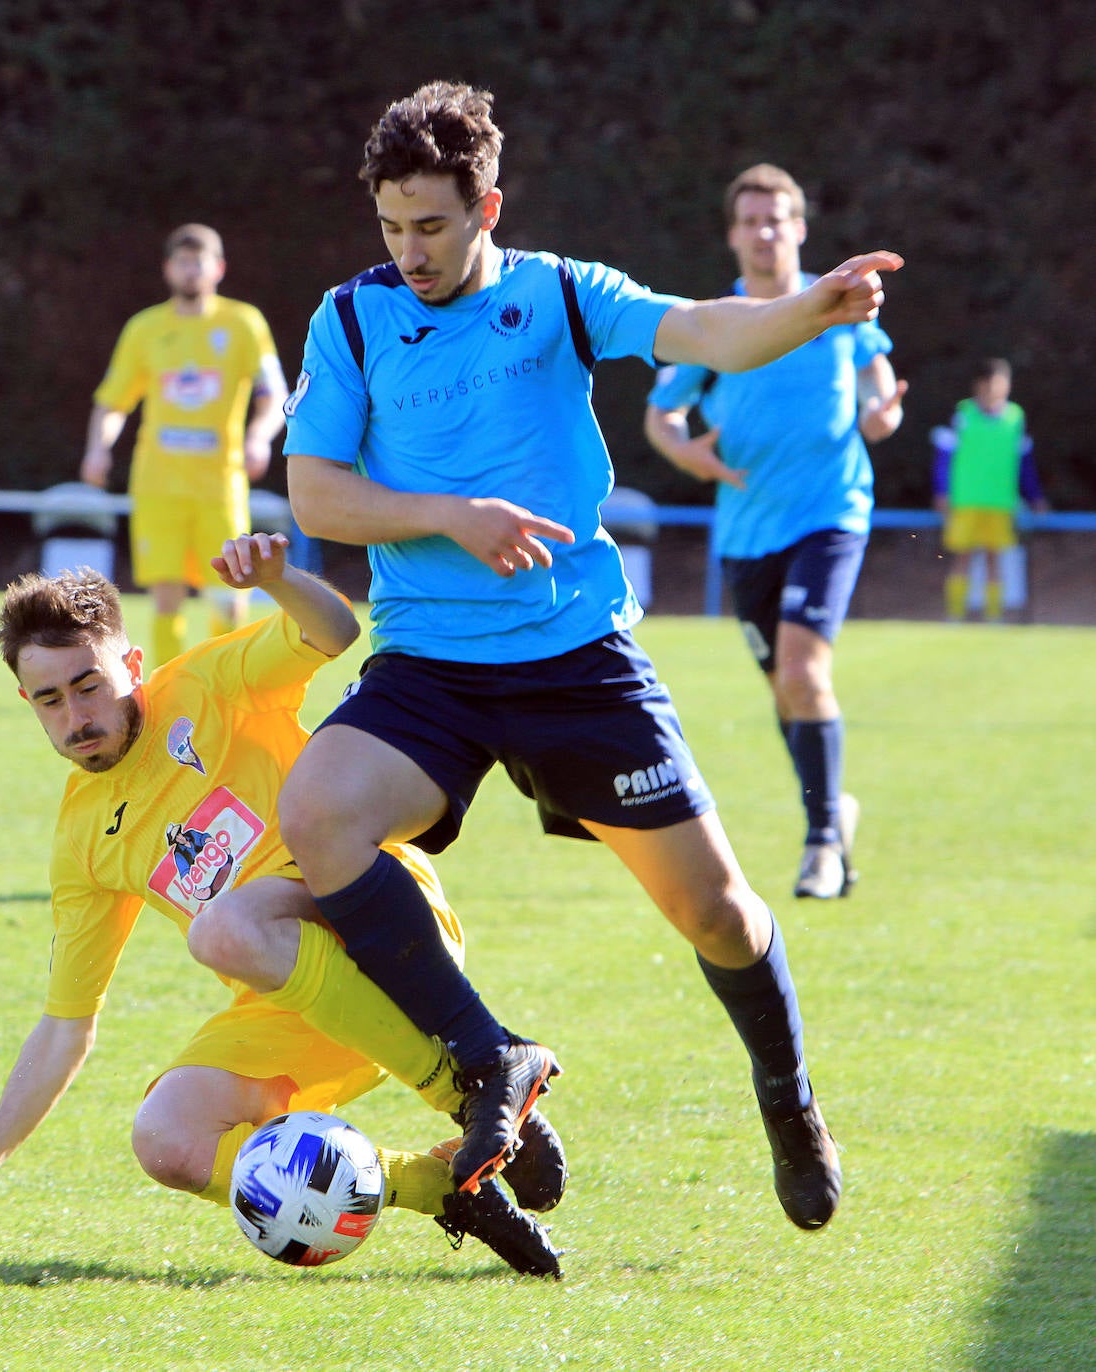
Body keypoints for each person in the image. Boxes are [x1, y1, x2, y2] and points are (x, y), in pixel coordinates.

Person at [279, 82, 903, 1231]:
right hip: (432, 667)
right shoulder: (351, 319)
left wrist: (813, 309)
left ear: (488, 208)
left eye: (433, 225)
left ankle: (791, 1098)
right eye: (390, 227)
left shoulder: (561, 293)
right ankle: (490, 1058)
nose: (409, 251)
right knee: (316, 813)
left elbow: (705, 327)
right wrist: (452, 515)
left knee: (717, 914)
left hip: (579, 661)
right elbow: (315, 490)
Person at [0, 538, 563, 1279]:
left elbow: (333, 631)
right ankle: (446, 1190)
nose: (76, 716)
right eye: (50, 699)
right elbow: (68, 1021)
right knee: (165, 1137)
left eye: (88, 685)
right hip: (299, 997)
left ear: (131, 666)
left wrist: (277, 579)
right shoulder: (83, 843)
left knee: (224, 927)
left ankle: (471, 1089)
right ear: (27, 703)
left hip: (389, 924)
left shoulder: (206, 685)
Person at [645, 163, 907, 901]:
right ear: (733, 235)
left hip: (830, 514)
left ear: (800, 228)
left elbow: (879, 385)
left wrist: (884, 413)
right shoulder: (717, 321)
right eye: (752, 220)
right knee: (785, 690)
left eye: (778, 218)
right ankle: (833, 816)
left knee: (801, 671)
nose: (765, 232)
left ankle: (821, 839)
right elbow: (661, 417)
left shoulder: (836, 304)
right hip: (745, 536)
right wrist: (685, 450)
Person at [80, 223, 290, 667]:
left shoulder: (244, 323)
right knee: (166, 598)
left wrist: (259, 437)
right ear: (168, 269)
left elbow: (274, 394)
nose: (191, 271)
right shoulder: (145, 328)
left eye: (200, 262)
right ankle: (170, 687)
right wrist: (98, 448)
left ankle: (223, 682)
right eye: (182, 262)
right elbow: (113, 402)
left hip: (220, 485)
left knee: (230, 597)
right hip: (159, 486)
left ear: (218, 269)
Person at [932, 357, 1045, 622]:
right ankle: (955, 615)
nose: (993, 390)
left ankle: (994, 616)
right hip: (966, 501)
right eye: (988, 384)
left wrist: (1035, 496)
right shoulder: (963, 415)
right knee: (962, 556)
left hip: (1000, 501)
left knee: (996, 559)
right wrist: (942, 491)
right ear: (978, 385)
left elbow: (1024, 463)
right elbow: (944, 458)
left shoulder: (1015, 418)